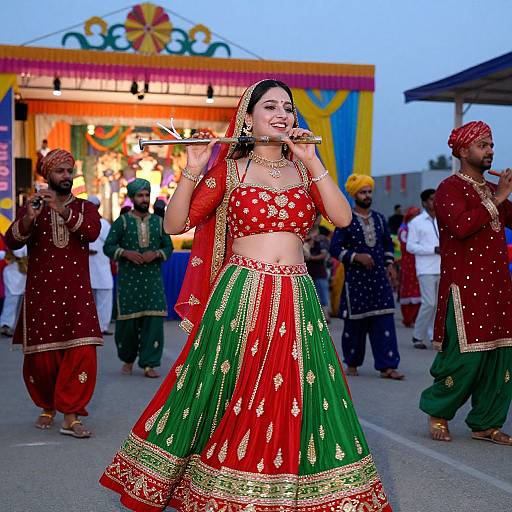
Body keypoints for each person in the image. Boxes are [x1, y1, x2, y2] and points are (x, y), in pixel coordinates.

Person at [100, 80, 392, 512]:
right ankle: (220, 484)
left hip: (296, 297)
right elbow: (175, 224)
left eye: (288, 108)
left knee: (297, 394)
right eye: (270, 106)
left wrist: (313, 160)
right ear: (248, 117)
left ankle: (291, 487)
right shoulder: (230, 171)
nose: (281, 114)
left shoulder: (303, 168)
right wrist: (193, 167)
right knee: (223, 390)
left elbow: (342, 216)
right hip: (242, 296)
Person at [420, 121, 512, 445]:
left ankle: (486, 422)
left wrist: (502, 194)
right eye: (483, 145)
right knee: (464, 357)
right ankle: (438, 412)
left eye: (491, 145)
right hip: (466, 289)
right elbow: (460, 226)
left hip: (498, 287)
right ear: (463, 151)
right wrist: (497, 199)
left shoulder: (492, 190)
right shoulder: (449, 188)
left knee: (500, 356)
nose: (490, 151)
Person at [4, 149, 102, 438]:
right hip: (42, 293)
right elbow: (12, 240)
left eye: (69, 171)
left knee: (82, 352)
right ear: (48, 175)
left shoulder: (85, 208)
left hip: (76, 294)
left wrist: (62, 210)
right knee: (42, 358)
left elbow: (92, 232)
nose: (66, 177)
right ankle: (47, 405)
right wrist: (29, 218)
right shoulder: (32, 206)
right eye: (60, 172)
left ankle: (70, 415)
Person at [330, 174, 404, 380]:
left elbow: (388, 245)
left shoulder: (380, 219)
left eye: (369, 191)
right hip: (356, 281)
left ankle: (388, 367)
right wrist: (356, 256)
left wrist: (389, 265)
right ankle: (352, 363)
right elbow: (334, 248)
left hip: (379, 280)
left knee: (385, 322)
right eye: (363, 192)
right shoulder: (346, 220)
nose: (367, 195)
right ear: (355, 195)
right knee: (355, 325)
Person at [103, 178, 173, 379]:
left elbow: (168, 247)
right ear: (132, 198)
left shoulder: (159, 222)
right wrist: (125, 253)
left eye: (146, 195)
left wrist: (157, 253)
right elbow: (108, 246)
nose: (144, 199)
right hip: (129, 282)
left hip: (152, 282)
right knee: (128, 326)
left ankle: (150, 364)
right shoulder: (122, 222)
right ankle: (127, 359)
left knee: (154, 323)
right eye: (140, 195)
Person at [406, 189, 441, 349]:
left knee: (439, 304)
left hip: (442, 267)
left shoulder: (442, 219)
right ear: (424, 202)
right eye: (432, 199)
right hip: (425, 268)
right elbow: (410, 246)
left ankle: (435, 336)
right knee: (430, 303)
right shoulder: (416, 222)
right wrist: (432, 249)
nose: (435, 202)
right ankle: (417, 336)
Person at [88, 195, 113, 335]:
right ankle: (94, 326)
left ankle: (101, 326)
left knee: (103, 297)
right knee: (93, 300)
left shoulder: (103, 224)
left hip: (101, 266)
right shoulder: (102, 223)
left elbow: (110, 242)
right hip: (90, 267)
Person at [397, 207, 421, 328]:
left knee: (418, 290)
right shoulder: (404, 230)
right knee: (408, 289)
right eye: (414, 216)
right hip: (408, 264)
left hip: (419, 263)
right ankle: (408, 318)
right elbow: (408, 247)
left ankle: (416, 318)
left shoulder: (417, 229)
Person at [304, 222, 331, 321]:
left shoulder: (321, 241)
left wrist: (311, 257)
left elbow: (323, 255)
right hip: (308, 273)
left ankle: (326, 315)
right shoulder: (304, 242)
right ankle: (312, 317)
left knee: (323, 295)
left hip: (320, 273)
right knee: (310, 296)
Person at [0, 245, 27, 337]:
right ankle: (6, 325)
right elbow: (18, 252)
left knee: (18, 302)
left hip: (19, 275)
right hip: (14, 274)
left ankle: (14, 326)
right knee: (12, 301)